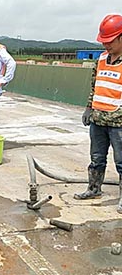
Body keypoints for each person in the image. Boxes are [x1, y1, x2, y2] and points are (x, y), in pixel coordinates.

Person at [74, 14, 122, 214]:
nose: (106, 46)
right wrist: (89, 107)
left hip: (119, 122)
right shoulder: (102, 58)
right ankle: (93, 188)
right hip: (98, 119)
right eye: (103, 42)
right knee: (96, 158)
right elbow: (95, 86)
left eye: (110, 41)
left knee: (121, 163)